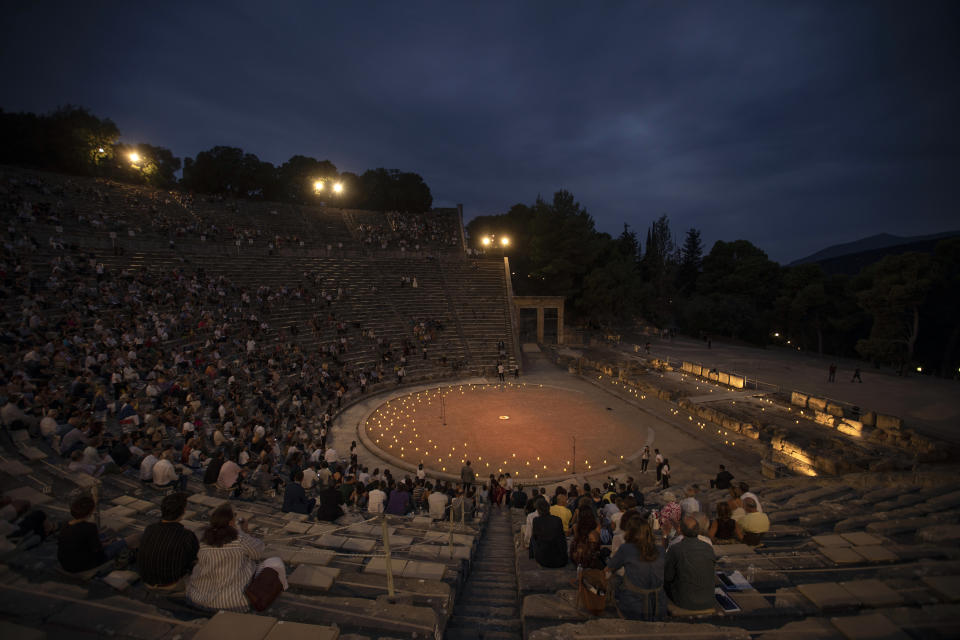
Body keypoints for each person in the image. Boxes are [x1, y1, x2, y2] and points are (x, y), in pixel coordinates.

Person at [187, 503, 286, 611]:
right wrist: (244, 531)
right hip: (234, 603)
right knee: (275, 561)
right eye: (235, 516)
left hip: (198, 598)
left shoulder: (203, 537)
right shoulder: (239, 538)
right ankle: (277, 593)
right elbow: (258, 551)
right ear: (231, 522)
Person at [58, 495, 139, 574]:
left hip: (66, 564)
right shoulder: (90, 527)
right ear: (90, 511)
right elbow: (97, 549)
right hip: (83, 565)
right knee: (134, 538)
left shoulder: (65, 525)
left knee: (106, 532)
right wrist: (107, 543)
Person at [605, 516, 666, 620]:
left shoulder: (626, 549)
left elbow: (609, 569)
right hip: (658, 607)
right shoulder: (660, 550)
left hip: (633, 608)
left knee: (613, 579)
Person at [138, 492, 199, 591]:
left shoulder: (150, 528)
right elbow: (194, 559)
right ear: (183, 512)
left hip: (147, 581)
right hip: (170, 583)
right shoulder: (186, 535)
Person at [664, 516, 716, 614]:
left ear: (681, 530)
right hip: (708, 600)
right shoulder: (708, 547)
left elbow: (667, 577)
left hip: (685, 602)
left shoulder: (676, 549)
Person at [529, 498, 567, 568]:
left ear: (538, 510)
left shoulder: (536, 520)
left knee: (532, 538)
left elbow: (535, 538)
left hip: (544, 560)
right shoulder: (558, 519)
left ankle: (531, 556)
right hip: (560, 559)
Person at [569, 505, 605, 570]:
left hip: (578, 557)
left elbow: (576, 540)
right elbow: (597, 542)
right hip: (592, 556)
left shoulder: (576, 526)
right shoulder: (597, 526)